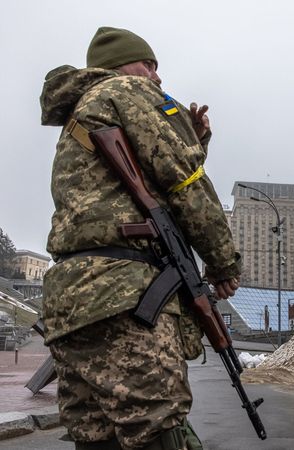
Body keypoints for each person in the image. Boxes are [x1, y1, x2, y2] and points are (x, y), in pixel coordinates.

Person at [41, 27, 241, 450]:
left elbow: (136, 184)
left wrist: (195, 139)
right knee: (157, 432)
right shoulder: (127, 89)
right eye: (148, 64)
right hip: (127, 296)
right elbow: (184, 182)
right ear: (121, 66)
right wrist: (223, 264)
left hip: (70, 303)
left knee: (97, 436)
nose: (156, 77)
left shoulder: (81, 112)